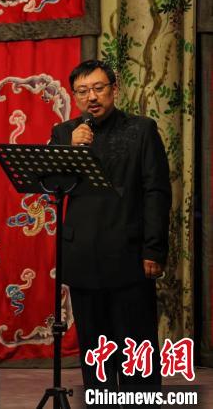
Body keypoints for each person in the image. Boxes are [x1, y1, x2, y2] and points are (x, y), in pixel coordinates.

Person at [49, 60, 171, 407]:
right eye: (82, 91)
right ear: (74, 96)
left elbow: (156, 192)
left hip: (128, 253)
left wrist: (154, 249)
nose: (91, 97)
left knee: (135, 344)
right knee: (95, 349)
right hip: (83, 254)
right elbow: (53, 188)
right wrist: (70, 150)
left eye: (98, 88)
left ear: (114, 90)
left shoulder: (141, 130)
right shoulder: (64, 133)